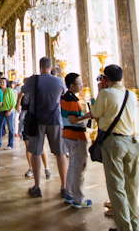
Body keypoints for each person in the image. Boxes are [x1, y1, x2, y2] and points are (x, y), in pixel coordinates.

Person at [84, 64, 139, 231]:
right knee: (131, 185)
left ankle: (125, 229)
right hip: (131, 141)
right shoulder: (131, 94)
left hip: (114, 142)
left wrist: (100, 92)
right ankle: (134, 223)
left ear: (105, 79)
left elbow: (95, 113)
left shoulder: (106, 93)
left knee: (116, 186)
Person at [25, 57, 68, 198]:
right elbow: (64, 93)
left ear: (40, 66)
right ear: (51, 67)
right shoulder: (59, 81)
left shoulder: (33, 80)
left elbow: (24, 91)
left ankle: (37, 186)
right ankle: (64, 187)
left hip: (37, 120)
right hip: (55, 119)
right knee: (60, 153)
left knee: (36, 152)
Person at [61, 73, 92, 208]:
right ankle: (78, 199)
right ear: (72, 85)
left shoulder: (65, 97)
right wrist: (86, 116)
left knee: (73, 165)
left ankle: (69, 194)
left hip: (68, 134)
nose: (82, 86)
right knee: (78, 167)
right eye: (79, 84)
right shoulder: (72, 100)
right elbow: (73, 119)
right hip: (76, 136)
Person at [17, 80, 51, 179]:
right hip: (26, 120)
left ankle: (46, 168)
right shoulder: (24, 94)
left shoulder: (38, 94)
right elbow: (18, 108)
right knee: (28, 145)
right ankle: (31, 167)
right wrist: (19, 98)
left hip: (36, 120)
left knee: (40, 145)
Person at [0, 77, 16, 149]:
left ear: (6, 83)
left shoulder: (9, 90)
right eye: (0, 82)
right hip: (0, 110)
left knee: (10, 127)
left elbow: (13, 102)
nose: (2, 83)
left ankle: (10, 144)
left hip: (8, 110)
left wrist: (10, 111)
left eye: (3, 82)